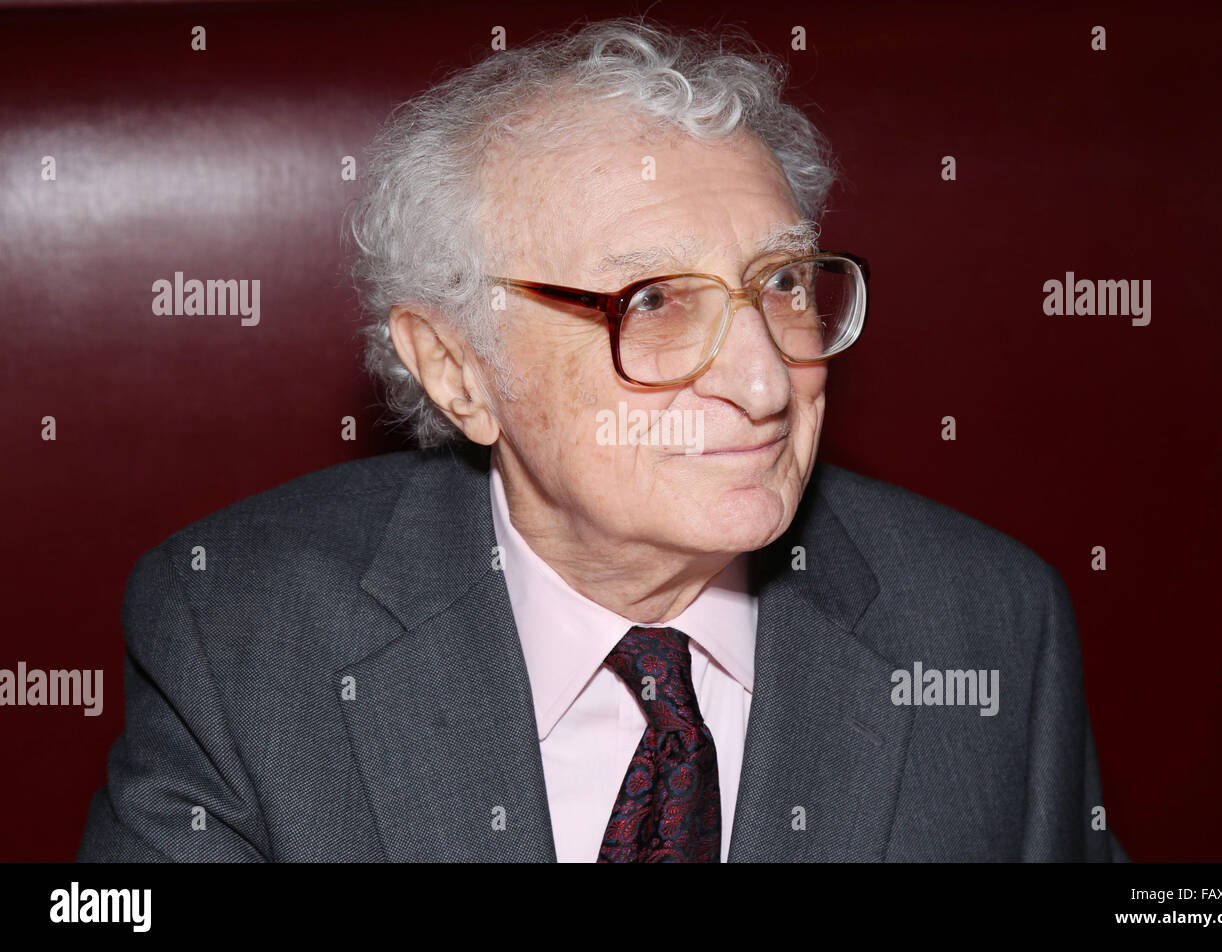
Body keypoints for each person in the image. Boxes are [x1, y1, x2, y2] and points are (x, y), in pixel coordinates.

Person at [78, 17, 1125, 862]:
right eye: (654, 301)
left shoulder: (985, 623)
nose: (766, 382)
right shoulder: (239, 630)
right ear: (457, 370)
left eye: (782, 283)